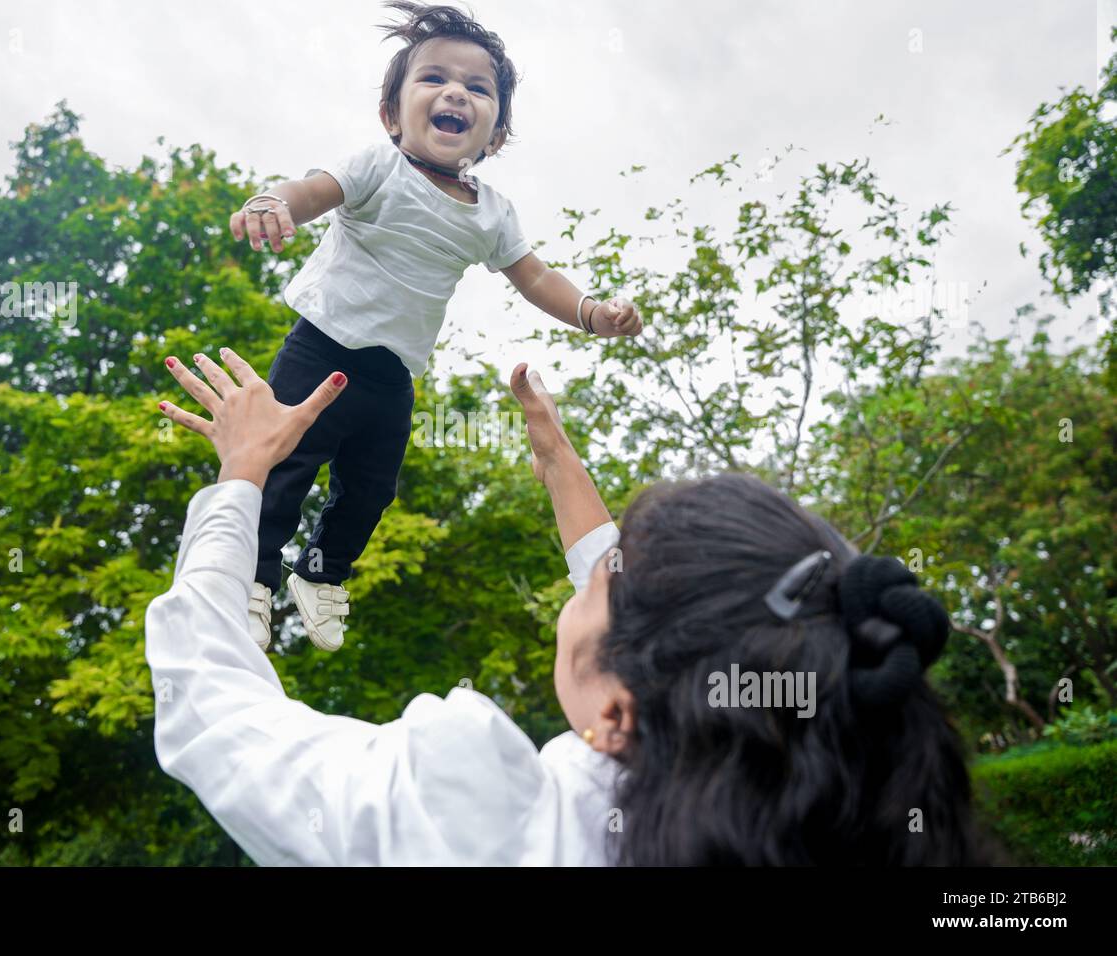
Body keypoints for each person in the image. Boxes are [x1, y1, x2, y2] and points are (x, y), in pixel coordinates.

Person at [148, 348, 1001, 865]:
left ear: (618, 712)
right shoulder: (858, 803)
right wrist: (554, 456)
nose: (596, 572)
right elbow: (689, 629)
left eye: (604, 583)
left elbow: (212, 702)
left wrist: (244, 476)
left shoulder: (478, 823)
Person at [226, 2, 643, 652]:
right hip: (319, 348)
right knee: (282, 467)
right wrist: (272, 200)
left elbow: (535, 278)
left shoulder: (493, 214)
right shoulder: (377, 166)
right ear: (392, 114)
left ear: (494, 133)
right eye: (435, 79)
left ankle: (320, 573)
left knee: (370, 491)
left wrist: (591, 312)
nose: (456, 93)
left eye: (478, 89)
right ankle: (250, 580)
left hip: (392, 375)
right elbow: (312, 189)